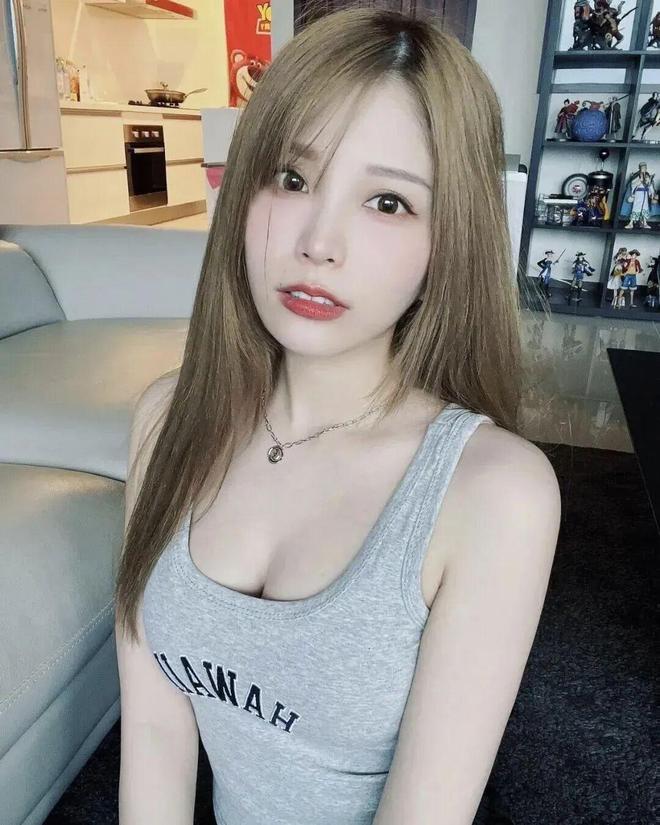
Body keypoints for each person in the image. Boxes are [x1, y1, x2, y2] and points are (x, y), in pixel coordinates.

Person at [114, 6, 561, 825]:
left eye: (388, 201)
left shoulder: (495, 493)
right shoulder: (164, 420)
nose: (319, 241)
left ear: (448, 241)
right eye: (292, 178)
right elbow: (153, 730)